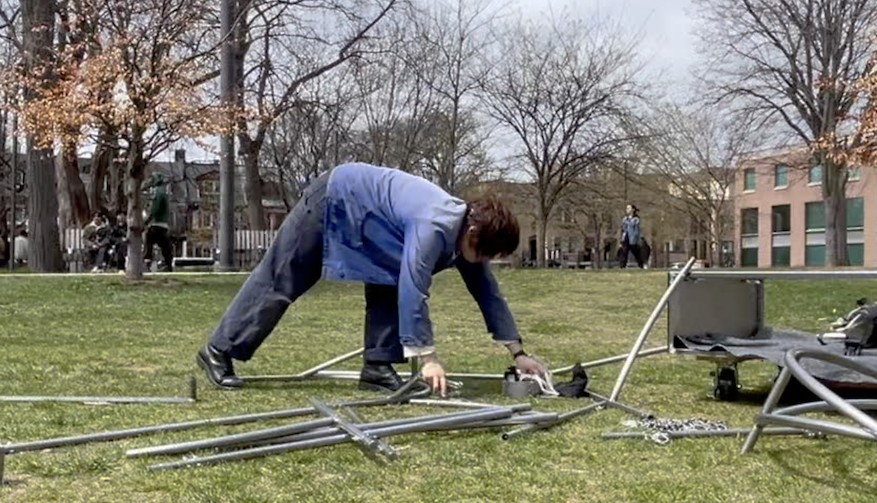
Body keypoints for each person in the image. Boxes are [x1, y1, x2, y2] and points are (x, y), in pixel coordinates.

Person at [195, 163, 550, 397]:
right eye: (486, 254)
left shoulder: (470, 235)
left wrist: (518, 352)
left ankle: (377, 368)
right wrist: (428, 358)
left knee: (389, 278)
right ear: (473, 232)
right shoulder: (434, 227)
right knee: (283, 280)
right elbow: (415, 288)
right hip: (334, 198)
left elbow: (488, 293)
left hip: (375, 220)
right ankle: (218, 351)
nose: (485, 262)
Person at [145, 171, 175, 271]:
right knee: (165, 245)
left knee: (149, 241)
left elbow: (155, 208)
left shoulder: (157, 191)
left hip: (156, 223)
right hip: (163, 223)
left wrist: (147, 220)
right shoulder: (164, 191)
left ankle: (147, 260)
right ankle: (168, 264)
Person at [618, 203, 648, 268]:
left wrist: (638, 239)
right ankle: (622, 266)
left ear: (633, 210)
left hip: (633, 239)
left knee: (636, 253)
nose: (627, 210)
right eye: (627, 208)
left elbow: (636, 229)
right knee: (624, 252)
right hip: (626, 238)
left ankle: (641, 265)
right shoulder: (625, 219)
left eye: (629, 208)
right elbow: (624, 229)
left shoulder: (636, 219)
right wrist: (622, 239)